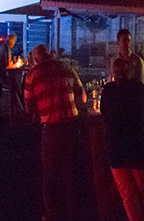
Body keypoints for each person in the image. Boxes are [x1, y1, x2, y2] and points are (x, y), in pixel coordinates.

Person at [23, 45, 89, 221]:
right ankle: (74, 214)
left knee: (51, 177)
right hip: (72, 126)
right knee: (71, 174)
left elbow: (29, 108)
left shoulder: (33, 75)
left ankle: (52, 215)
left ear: (36, 58)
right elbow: (82, 96)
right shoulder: (66, 67)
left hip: (51, 129)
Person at [102, 58, 144, 221]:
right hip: (139, 146)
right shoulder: (140, 89)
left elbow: (104, 114)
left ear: (113, 72)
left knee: (127, 195)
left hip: (117, 147)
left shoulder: (109, 90)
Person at [0, 33, 23, 123]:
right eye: (14, 41)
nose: (14, 43)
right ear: (11, 40)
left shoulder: (6, 48)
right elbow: (6, 64)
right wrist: (14, 65)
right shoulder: (5, 49)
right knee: (12, 87)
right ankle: (13, 110)